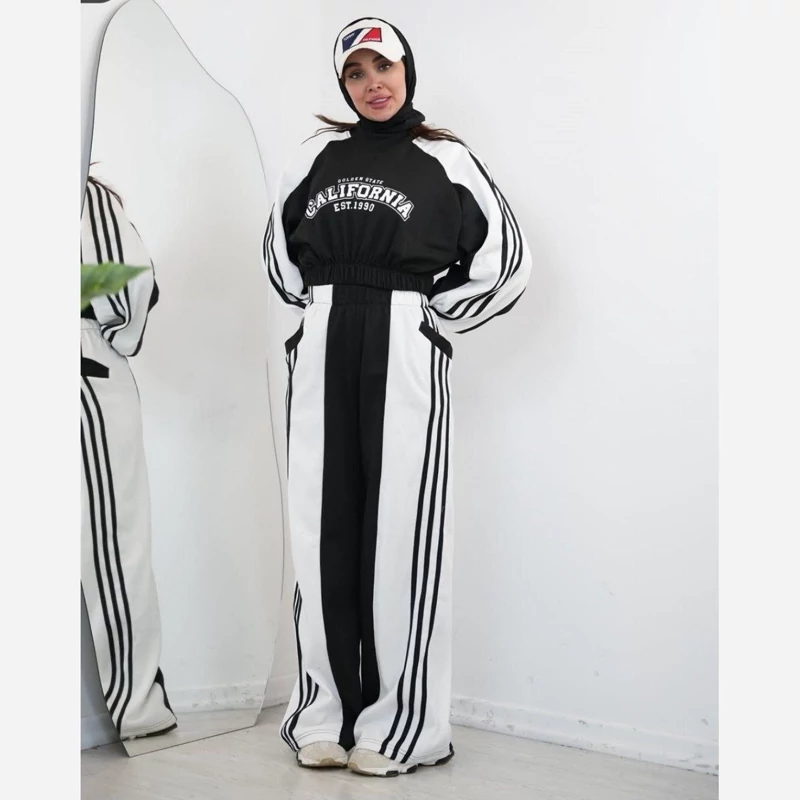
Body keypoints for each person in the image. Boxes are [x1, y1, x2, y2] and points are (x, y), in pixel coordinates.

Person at [264, 17, 531, 777]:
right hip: (323, 341)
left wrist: (430, 319)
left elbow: (507, 260)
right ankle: (322, 717)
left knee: (399, 536)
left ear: (408, 71)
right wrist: (320, 313)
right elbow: (279, 259)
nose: (372, 83)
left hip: (405, 341)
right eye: (356, 72)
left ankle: (399, 726)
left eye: (384, 67)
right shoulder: (315, 155)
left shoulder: (446, 158)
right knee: (321, 531)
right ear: (342, 84)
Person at [80, 174, 177, 740]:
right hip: (85, 368)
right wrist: (115, 335)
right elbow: (128, 285)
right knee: (113, 546)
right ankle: (134, 705)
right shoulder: (81, 192)